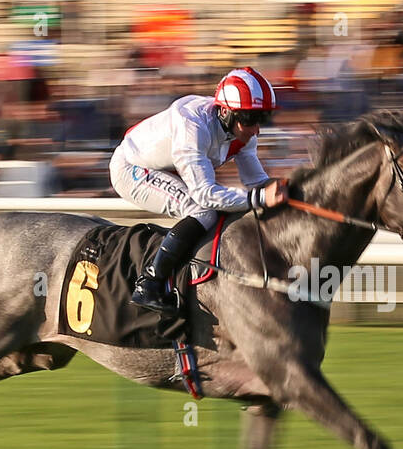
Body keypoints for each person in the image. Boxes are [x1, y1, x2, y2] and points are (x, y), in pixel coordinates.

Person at [109, 67, 288, 313]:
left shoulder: (242, 130)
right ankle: (149, 283)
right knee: (203, 211)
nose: (256, 129)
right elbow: (205, 193)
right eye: (250, 119)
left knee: (224, 206)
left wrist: (287, 190)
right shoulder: (193, 126)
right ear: (225, 111)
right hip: (132, 168)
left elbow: (257, 182)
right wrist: (260, 197)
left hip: (167, 170)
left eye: (263, 119)